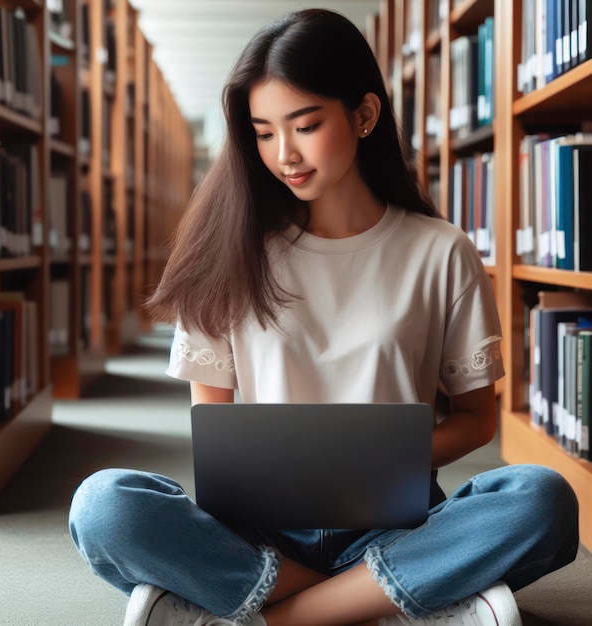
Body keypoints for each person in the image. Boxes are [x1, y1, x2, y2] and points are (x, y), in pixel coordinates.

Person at [69, 8, 579, 626]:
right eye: (262, 132)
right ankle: (393, 598)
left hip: (395, 522)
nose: (284, 154)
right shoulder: (226, 250)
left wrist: (374, 463)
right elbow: (213, 425)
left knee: (541, 499)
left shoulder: (440, 250)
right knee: (103, 506)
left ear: (364, 115)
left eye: (305, 125)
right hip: (258, 531)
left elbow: (476, 420)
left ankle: (270, 613)